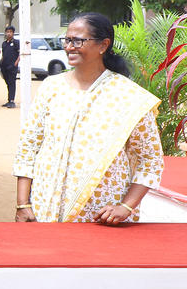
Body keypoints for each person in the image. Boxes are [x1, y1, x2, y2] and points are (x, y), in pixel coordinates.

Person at [14, 13, 164, 224]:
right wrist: (23, 204)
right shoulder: (51, 87)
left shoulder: (129, 96)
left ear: (103, 45)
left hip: (101, 217)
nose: (69, 47)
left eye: (78, 41)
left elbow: (150, 160)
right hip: (43, 211)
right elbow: (29, 147)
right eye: (67, 40)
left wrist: (126, 207)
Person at [0, 25, 19, 108]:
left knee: (12, 83)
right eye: (7, 32)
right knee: (8, 83)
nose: (9, 33)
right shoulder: (4, 43)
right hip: (4, 66)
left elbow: (20, 54)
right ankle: (9, 99)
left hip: (12, 66)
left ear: (13, 33)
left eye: (10, 32)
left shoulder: (16, 42)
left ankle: (12, 101)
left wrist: (16, 63)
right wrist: (0, 63)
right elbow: (3, 54)